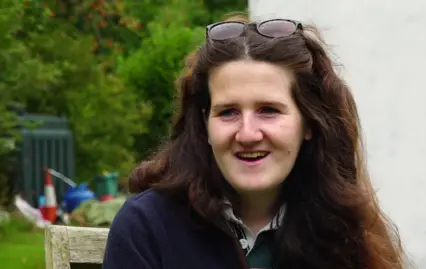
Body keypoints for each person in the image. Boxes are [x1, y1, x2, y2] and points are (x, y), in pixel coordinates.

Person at [102, 15, 406, 269]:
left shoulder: (344, 231)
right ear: (205, 124)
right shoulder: (148, 227)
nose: (247, 134)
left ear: (309, 123)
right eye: (228, 112)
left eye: (269, 111)